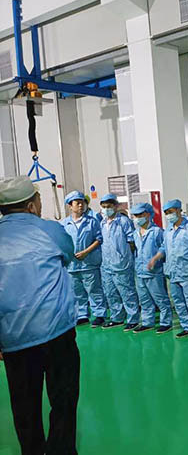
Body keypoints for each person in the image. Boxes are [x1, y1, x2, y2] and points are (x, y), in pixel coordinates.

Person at [0, 176, 80, 455]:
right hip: (56, 331)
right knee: (63, 399)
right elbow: (68, 254)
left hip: (14, 337)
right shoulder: (49, 230)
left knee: (24, 404)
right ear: (32, 205)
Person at [149, 199, 188, 341]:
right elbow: (164, 247)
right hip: (173, 271)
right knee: (179, 302)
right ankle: (186, 327)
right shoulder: (168, 230)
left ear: (179, 211)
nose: (169, 215)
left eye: (171, 212)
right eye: (166, 213)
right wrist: (155, 258)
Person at [61, 190, 107, 328]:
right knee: (77, 292)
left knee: (94, 290)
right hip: (72, 265)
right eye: (77, 203)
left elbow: (98, 239)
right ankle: (82, 315)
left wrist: (86, 252)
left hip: (89, 263)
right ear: (70, 206)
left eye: (82, 203)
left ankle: (99, 314)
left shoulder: (92, 222)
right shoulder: (64, 224)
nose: (81, 205)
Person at [99, 193, 140, 331]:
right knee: (110, 292)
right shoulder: (102, 223)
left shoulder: (123, 221)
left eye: (109, 206)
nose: (106, 209)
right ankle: (117, 317)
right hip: (107, 264)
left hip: (122, 264)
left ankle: (133, 318)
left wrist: (125, 258)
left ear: (116, 206)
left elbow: (131, 241)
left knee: (127, 291)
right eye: (104, 207)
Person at [131, 203, 172, 334]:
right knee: (144, 299)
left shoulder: (157, 232)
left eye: (140, 215)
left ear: (148, 214)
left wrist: (155, 259)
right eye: (135, 215)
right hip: (140, 271)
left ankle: (166, 322)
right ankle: (147, 322)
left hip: (154, 272)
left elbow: (164, 248)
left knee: (160, 298)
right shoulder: (135, 233)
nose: (138, 218)